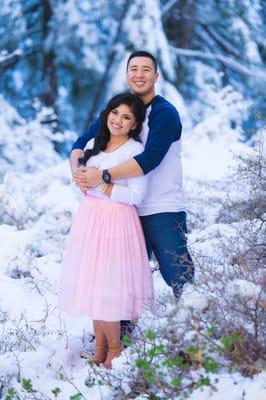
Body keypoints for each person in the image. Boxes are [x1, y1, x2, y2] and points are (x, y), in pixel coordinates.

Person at [71, 50, 194, 320]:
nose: (139, 74)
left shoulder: (164, 113)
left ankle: (196, 339)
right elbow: (80, 144)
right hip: (125, 210)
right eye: (133, 68)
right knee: (118, 280)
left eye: (146, 69)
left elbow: (149, 159)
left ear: (156, 75)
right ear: (126, 74)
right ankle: (121, 343)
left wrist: (101, 176)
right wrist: (79, 172)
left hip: (161, 207)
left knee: (179, 276)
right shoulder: (120, 110)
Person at [58, 92, 154, 369]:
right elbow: (81, 185)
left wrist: (100, 184)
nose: (118, 120)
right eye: (115, 113)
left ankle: (115, 348)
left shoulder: (135, 151)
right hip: (90, 217)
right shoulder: (94, 145)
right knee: (93, 283)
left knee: (109, 286)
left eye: (126, 117)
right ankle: (100, 348)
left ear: (135, 124)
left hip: (116, 220)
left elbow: (136, 195)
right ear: (107, 114)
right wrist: (82, 182)